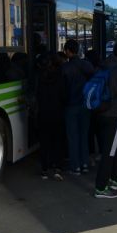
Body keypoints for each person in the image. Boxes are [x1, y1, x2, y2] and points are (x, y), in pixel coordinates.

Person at [93, 42, 117, 198]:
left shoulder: (103, 65)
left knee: (113, 148)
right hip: (114, 115)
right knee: (110, 151)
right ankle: (101, 187)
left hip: (99, 112)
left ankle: (115, 177)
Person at [62, 40, 95, 175]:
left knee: (73, 136)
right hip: (85, 105)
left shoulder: (64, 68)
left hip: (70, 106)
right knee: (83, 135)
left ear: (67, 51)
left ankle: (75, 166)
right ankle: (85, 163)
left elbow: (62, 88)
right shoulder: (87, 65)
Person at [35, 52, 66, 180]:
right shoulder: (60, 77)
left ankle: (44, 169)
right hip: (57, 113)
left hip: (42, 113)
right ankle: (57, 167)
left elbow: (36, 95)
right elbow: (64, 96)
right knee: (57, 141)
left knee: (44, 142)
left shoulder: (38, 78)